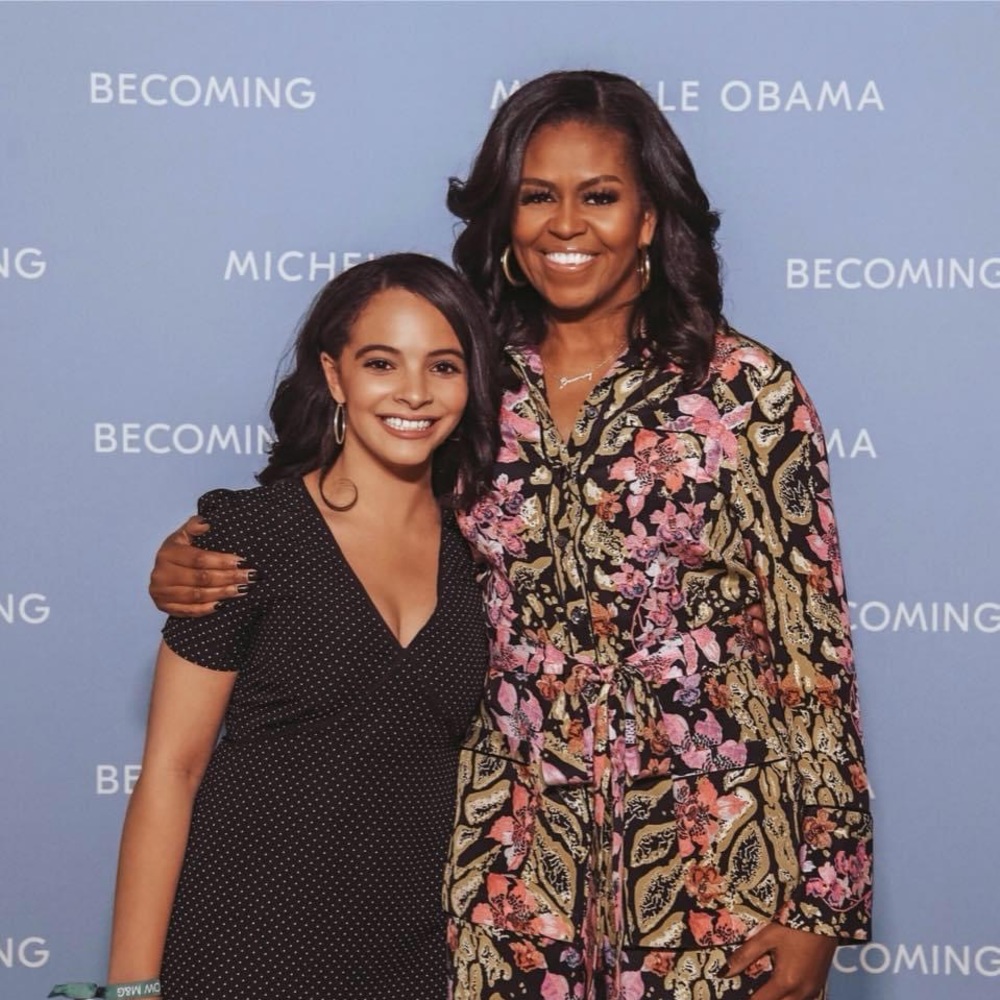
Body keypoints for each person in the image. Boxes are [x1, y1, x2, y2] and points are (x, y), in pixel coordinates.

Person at [149, 71, 872, 1000]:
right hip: (505, 877)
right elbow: (351, 508)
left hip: (718, 873)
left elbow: (814, 657)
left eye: (600, 196)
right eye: (538, 196)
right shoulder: (471, 378)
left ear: (650, 218)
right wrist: (205, 555)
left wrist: (823, 902)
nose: (566, 225)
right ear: (507, 217)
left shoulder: (748, 394)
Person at [60, 254, 500, 1000]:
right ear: (335, 376)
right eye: (382, 363)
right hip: (242, 945)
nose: (415, 393)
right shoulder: (249, 534)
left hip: (413, 958)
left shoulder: (487, 552)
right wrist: (129, 991)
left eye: (445, 367)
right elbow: (173, 771)